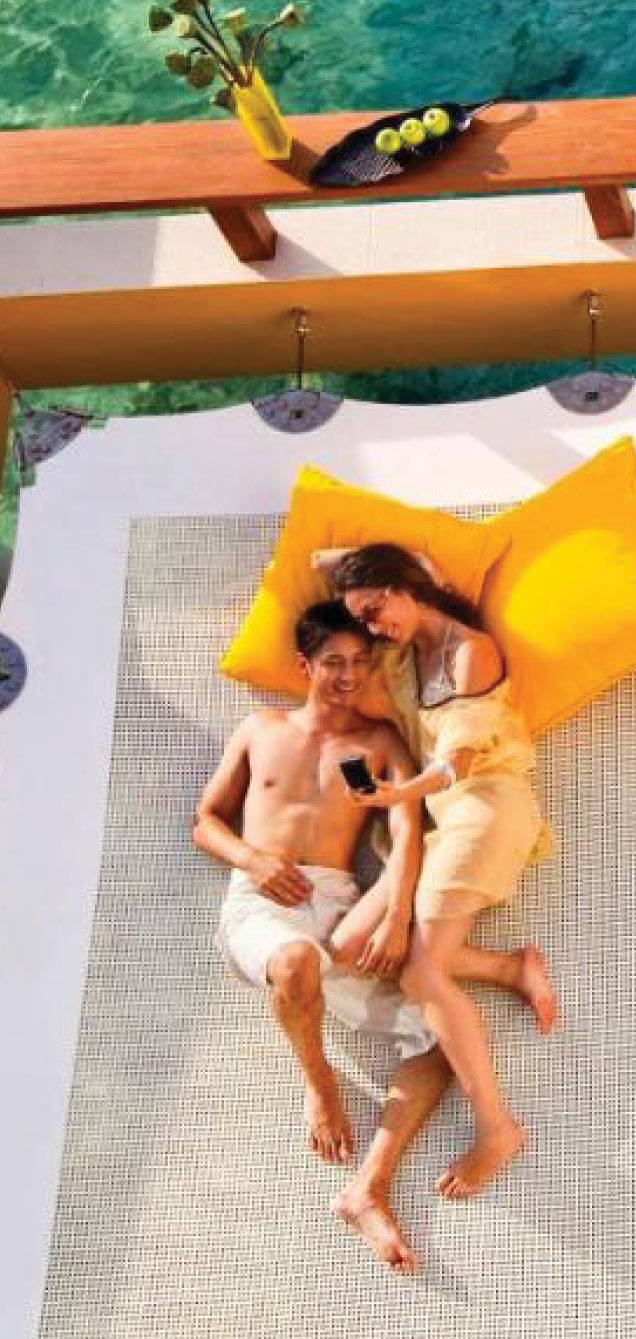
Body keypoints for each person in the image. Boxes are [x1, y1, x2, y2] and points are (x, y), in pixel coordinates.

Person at [192, 601, 546, 1271]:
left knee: (442, 1043)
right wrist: (254, 860)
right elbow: (206, 820)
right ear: (304, 666)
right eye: (334, 662)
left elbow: (408, 833)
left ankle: (368, 1188)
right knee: (294, 962)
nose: (349, 675)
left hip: (334, 900)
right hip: (261, 904)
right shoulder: (262, 728)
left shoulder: (377, 744)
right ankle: (321, 1085)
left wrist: (391, 914)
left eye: (360, 661)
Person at [330, 542, 559, 1201]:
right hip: (441, 821)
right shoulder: (409, 652)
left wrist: (400, 794)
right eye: (363, 618)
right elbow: (324, 561)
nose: (372, 629)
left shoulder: (470, 651)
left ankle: (497, 1127)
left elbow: (458, 759)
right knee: (350, 947)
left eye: (375, 611)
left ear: (402, 589)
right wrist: (408, 564)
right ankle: (507, 968)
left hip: (486, 807)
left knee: (420, 971)